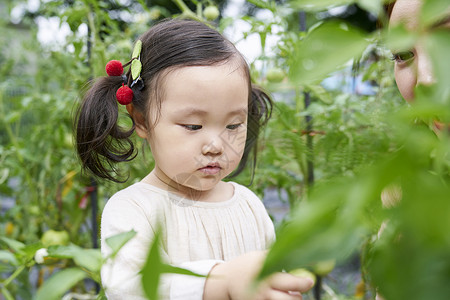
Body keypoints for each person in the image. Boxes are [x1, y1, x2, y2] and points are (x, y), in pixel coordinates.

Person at [75, 19, 313, 300]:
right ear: (142, 120)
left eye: (234, 125)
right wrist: (220, 282)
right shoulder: (133, 209)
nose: (216, 145)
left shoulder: (249, 205)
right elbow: (131, 287)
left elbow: (266, 277)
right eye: (193, 127)